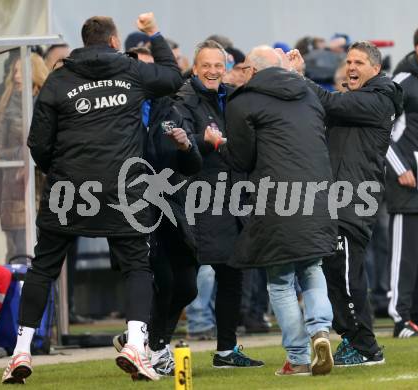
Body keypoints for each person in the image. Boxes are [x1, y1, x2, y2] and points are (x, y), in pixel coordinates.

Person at [1, 12, 182, 384]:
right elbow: (173, 76)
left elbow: (38, 143)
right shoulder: (131, 72)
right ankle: (135, 344)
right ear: (115, 42)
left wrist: (60, 170)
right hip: (123, 188)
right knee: (136, 266)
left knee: (44, 267)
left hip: (69, 189)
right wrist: (154, 33)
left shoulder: (60, 78)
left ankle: (20, 352)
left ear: (85, 43)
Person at [289, 41, 403, 366]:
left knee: (349, 275)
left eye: (359, 62)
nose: (352, 66)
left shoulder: (379, 100)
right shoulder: (358, 98)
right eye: (349, 61)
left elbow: (327, 101)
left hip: (354, 199)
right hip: (336, 198)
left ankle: (366, 348)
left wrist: (299, 75)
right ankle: (353, 341)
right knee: (335, 271)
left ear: (375, 69)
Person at [224, 45, 335, 376]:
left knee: (281, 280)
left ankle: (299, 357)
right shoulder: (310, 94)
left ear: (254, 72)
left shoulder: (243, 101)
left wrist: (218, 145)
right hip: (319, 195)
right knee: (313, 268)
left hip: (276, 200)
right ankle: (320, 331)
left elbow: (242, 159)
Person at [112, 47, 203, 376]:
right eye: (141, 69)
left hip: (172, 207)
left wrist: (186, 146)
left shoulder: (170, 108)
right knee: (161, 279)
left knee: (188, 285)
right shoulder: (119, 111)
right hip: (134, 206)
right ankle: (153, 347)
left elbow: (193, 164)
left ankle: (144, 339)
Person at [175, 40, 263, 368]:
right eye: (206, 65)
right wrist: (203, 141)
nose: (213, 71)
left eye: (218, 65)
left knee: (231, 274)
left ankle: (226, 350)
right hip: (198, 197)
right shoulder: (183, 99)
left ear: (225, 68)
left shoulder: (232, 97)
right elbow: (177, 139)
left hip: (232, 197)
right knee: (182, 280)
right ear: (195, 68)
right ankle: (148, 341)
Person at [385, 24, 418, 338]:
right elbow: (381, 133)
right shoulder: (402, 82)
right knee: (405, 258)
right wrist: (401, 167)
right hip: (408, 186)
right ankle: (400, 318)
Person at [0, 53, 49, 259]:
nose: (16, 76)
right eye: (14, 71)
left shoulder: (45, 101)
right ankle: (20, 291)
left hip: (43, 184)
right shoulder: (5, 102)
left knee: (45, 250)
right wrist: (20, 153)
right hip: (14, 186)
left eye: (21, 71)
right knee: (17, 251)